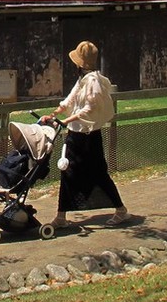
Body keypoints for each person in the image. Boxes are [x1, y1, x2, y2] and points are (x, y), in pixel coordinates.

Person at [41, 40, 128, 227]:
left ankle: (121, 210)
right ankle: (61, 216)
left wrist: (66, 121)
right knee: (67, 171)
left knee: (99, 174)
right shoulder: (82, 80)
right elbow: (70, 99)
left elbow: (89, 109)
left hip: (88, 136)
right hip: (75, 135)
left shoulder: (93, 82)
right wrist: (55, 113)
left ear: (81, 64)